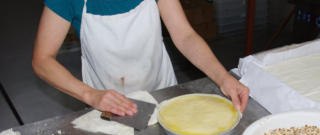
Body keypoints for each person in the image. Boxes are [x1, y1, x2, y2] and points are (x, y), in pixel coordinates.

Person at [32, 0, 249, 116]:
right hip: (107, 103)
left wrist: (223, 78)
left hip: (161, 93)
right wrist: (90, 95)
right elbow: (42, 60)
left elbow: (185, 36)